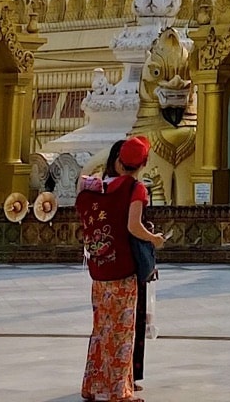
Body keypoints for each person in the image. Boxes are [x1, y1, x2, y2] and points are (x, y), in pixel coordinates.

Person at [76, 133, 164, 402]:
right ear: (142, 164)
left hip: (99, 266)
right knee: (123, 329)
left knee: (101, 328)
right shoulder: (135, 188)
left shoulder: (95, 186)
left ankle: (92, 385)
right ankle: (118, 391)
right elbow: (133, 226)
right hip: (123, 268)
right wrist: (154, 239)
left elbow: (80, 191)